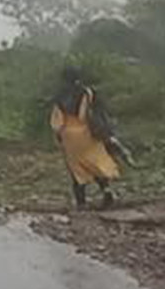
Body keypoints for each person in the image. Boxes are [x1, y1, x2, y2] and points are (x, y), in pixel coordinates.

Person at [50, 65, 121, 210]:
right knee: (96, 162)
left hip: (69, 135)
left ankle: (81, 204)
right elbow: (99, 113)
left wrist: (58, 135)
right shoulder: (88, 92)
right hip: (87, 133)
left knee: (76, 170)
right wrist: (106, 132)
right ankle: (107, 193)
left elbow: (57, 120)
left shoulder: (59, 95)